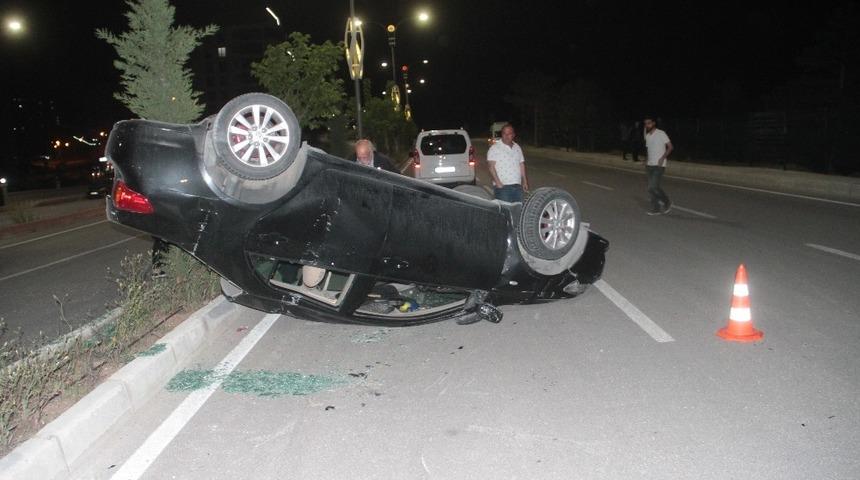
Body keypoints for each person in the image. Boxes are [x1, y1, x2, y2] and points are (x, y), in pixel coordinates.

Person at [487, 124, 530, 202]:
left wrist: (525, 182)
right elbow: (491, 166)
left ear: (513, 135)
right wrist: (498, 183)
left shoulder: (517, 147)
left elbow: (521, 164)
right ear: (502, 134)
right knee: (505, 209)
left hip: (517, 186)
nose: (506, 136)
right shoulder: (495, 148)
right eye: (504, 133)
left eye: (509, 133)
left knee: (518, 208)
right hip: (503, 187)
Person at [643, 115, 673, 215]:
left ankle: (666, 202)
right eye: (645, 124)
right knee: (652, 189)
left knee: (652, 187)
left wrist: (662, 158)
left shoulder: (661, 133)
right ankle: (656, 208)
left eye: (649, 123)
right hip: (649, 165)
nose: (647, 125)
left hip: (659, 165)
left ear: (653, 123)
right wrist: (646, 160)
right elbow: (648, 149)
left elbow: (670, 147)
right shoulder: (647, 136)